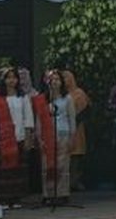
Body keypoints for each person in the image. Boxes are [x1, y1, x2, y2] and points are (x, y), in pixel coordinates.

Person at [0, 66, 34, 209]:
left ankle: (15, 198)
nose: (11, 80)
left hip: (18, 138)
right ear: (3, 80)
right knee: (2, 171)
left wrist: (29, 137)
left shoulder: (23, 96)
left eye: (14, 77)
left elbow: (28, 118)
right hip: (2, 139)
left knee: (17, 170)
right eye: (8, 77)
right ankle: (2, 199)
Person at [32, 70, 74, 206]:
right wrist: (39, 137)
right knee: (47, 166)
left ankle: (62, 194)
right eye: (52, 79)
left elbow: (71, 118)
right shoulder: (41, 99)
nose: (54, 82)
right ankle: (48, 194)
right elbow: (38, 119)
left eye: (57, 79)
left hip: (63, 133)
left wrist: (72, 137)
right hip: (46, 135)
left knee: (62, 165)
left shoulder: (67, 98)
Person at [60, 71, 90, 192]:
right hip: (61, 129)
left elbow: (84, 111)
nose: (65, 80)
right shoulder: (58, 94)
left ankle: (75, 181)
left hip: (76, 129)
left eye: (67, 78)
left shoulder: (79, 93)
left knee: (76, 156)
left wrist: (72, 122)